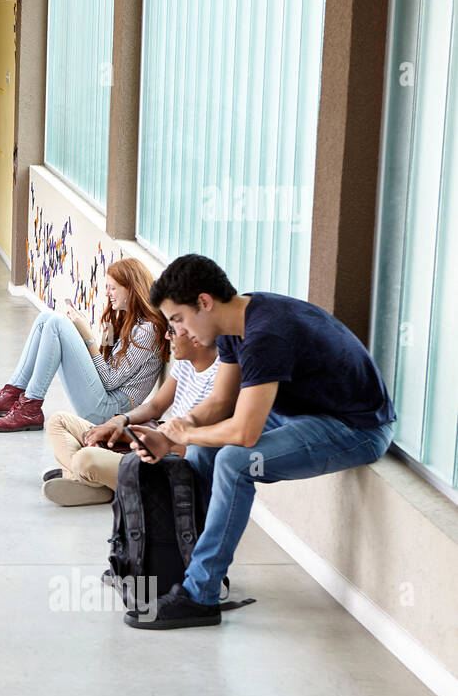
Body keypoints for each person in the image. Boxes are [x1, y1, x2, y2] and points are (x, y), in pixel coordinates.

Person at [125, 254, 396, 630]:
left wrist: (179, 437)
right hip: (303, 413)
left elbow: (244, 434)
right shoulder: (236, 324)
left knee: (235, 462)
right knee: (205, 449)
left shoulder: (266, 333)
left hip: (356, 427)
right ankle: (199, 571)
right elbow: (220, 403)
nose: (180, 332)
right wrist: (171, 430)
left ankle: (199, 595)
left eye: (178, 320)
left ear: (204, 302)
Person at [0, 258, 169, 431]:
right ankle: (13, 393)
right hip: (103, 398)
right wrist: (102, 334)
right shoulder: (125, 319)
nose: (107, 293)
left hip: (110, 412)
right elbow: (106, 365)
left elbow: (109, 381)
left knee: (57, 324)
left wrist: (88, 337)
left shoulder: (148, 330)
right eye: (107, 287)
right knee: (46, 318)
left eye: (113, 288)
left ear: (132, 289)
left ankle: (30, 408)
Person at [42, 327, 219, 506]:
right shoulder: (186, 361)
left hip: (170, 467)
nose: (166, 336)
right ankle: (93, 485)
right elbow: (155, 406)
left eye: (172, 329)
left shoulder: (220, 380)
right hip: (150, 445)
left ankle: (82, 476)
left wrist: (132, 437)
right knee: (59, 421)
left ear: (196, 334)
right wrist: (120, 420)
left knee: (84, 458)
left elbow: (196, 452)